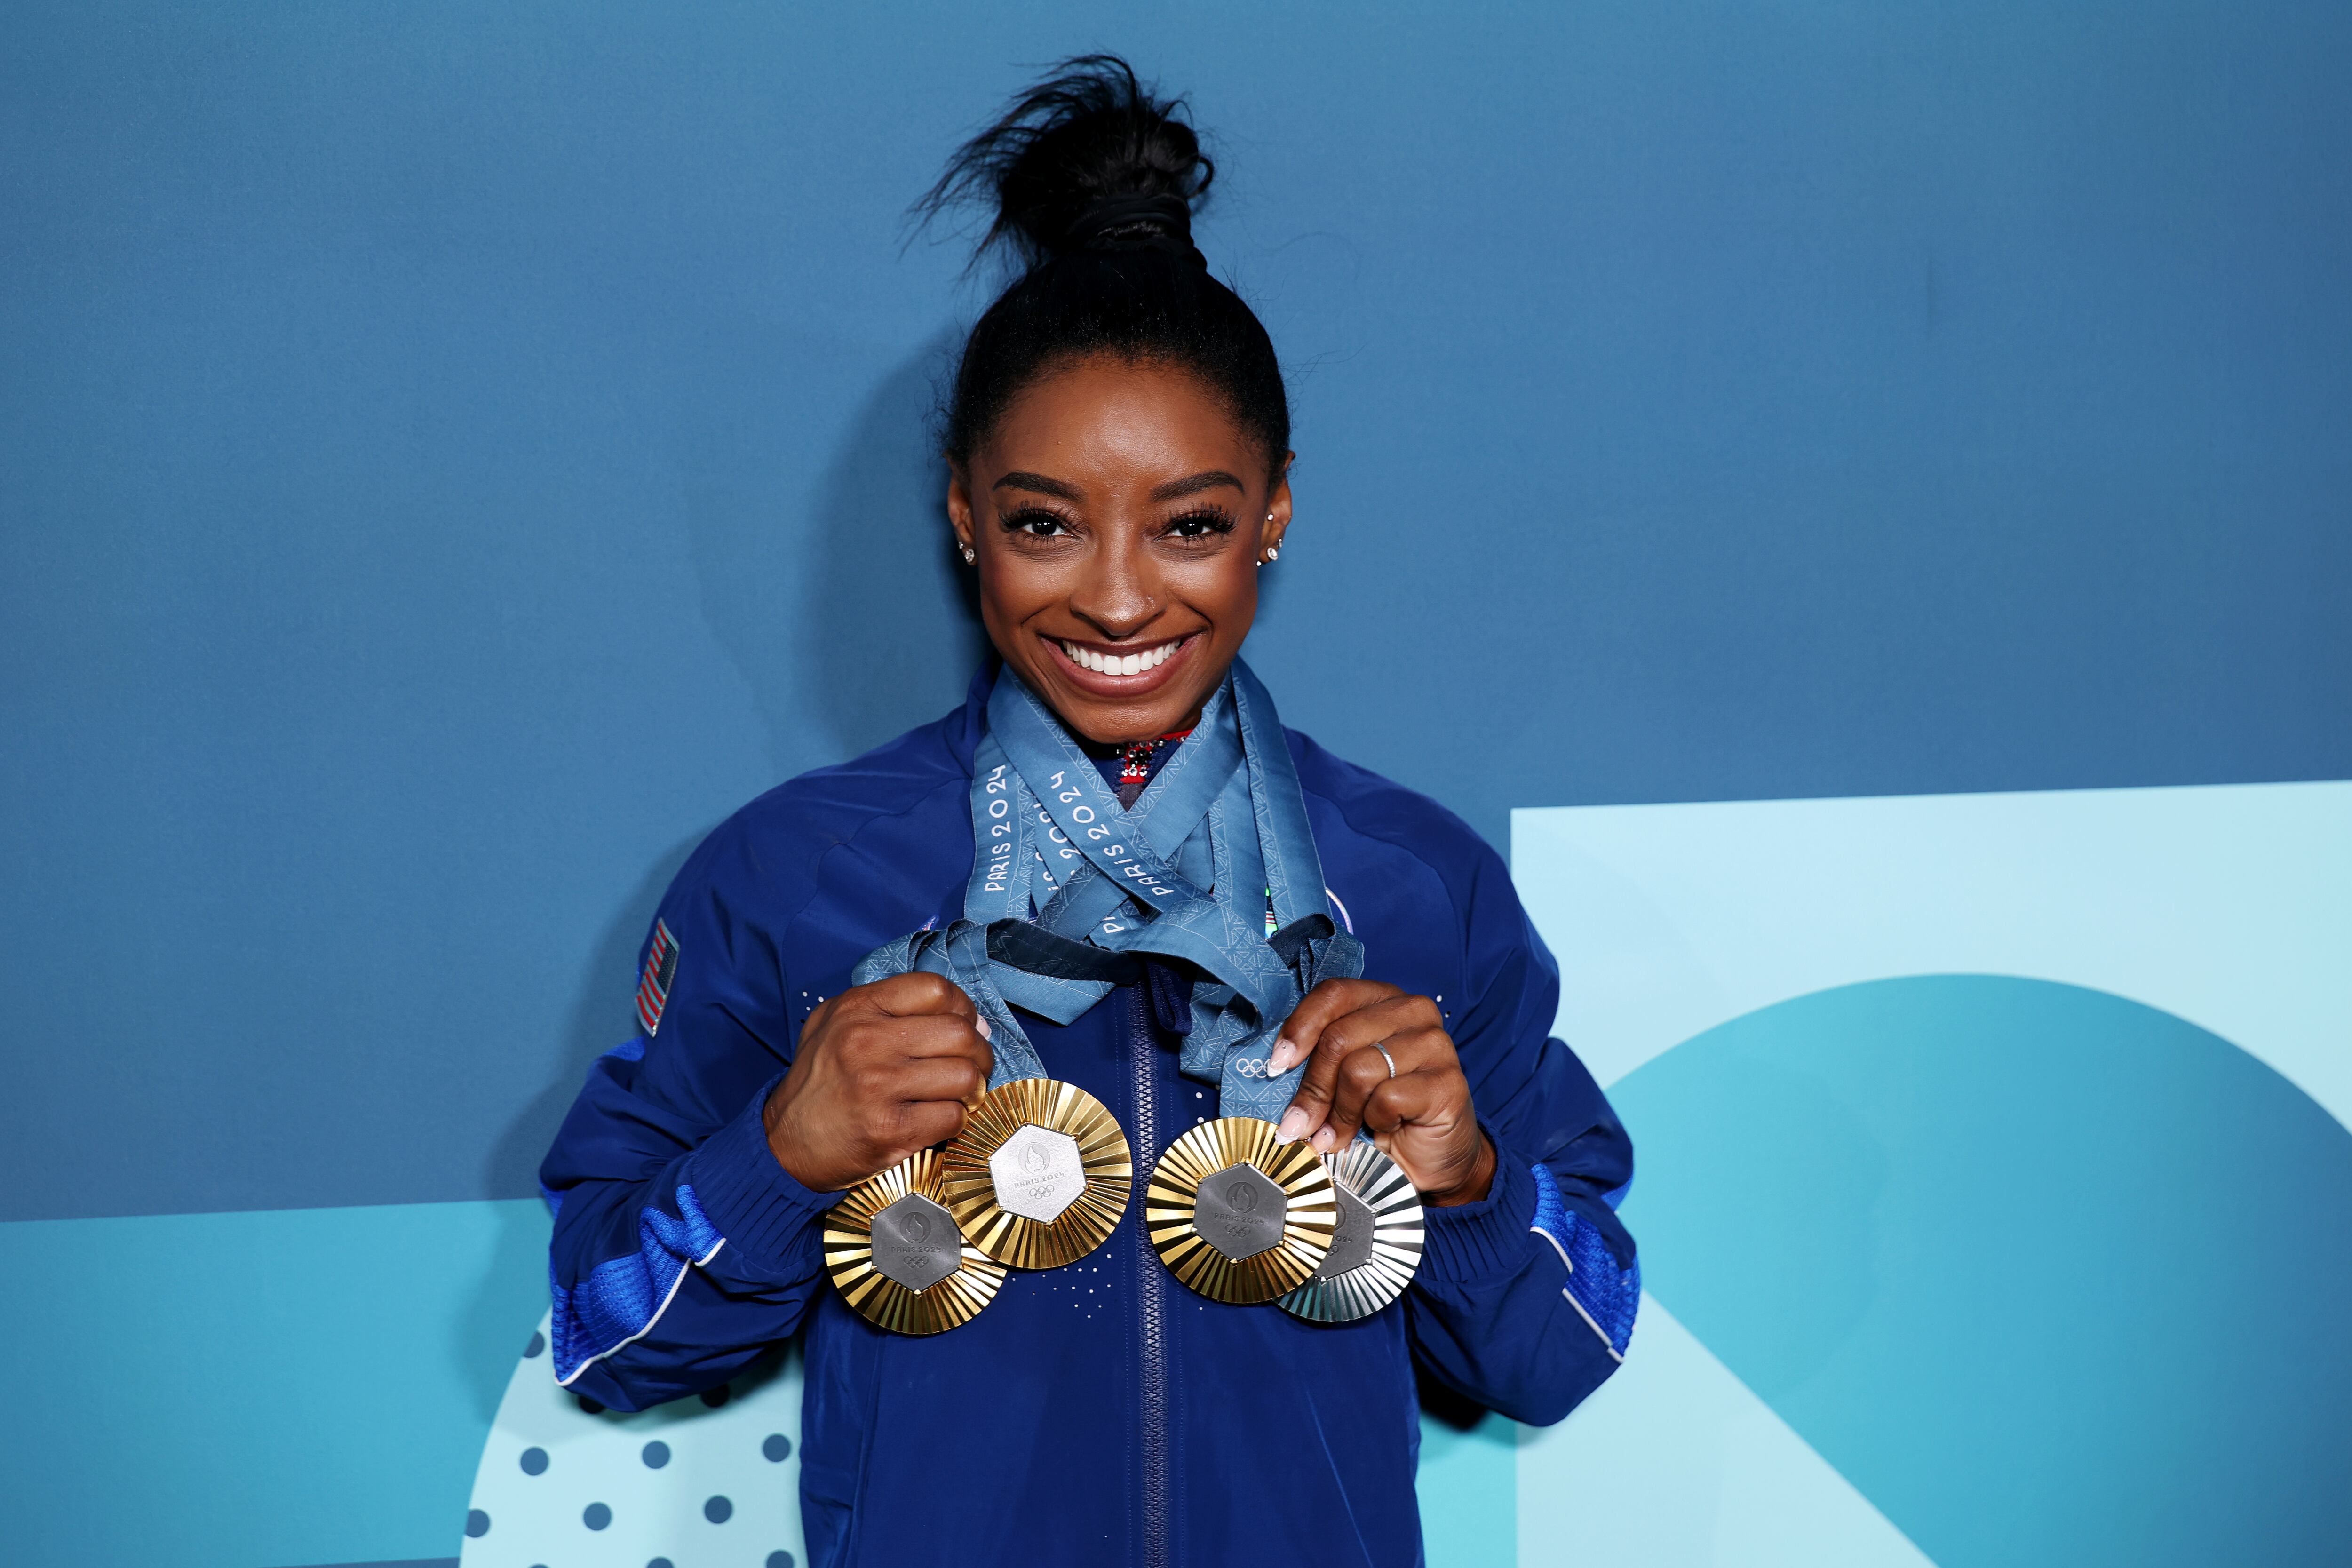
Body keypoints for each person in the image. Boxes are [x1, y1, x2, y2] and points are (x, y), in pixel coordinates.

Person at [541, 56, 1637, 1568]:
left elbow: (1564, 1351)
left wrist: (1468, 1178)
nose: (1119, 596)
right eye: (1045, 522)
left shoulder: (1414, 881)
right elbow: (604, 1338)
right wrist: (779, 1153)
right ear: (962, 516)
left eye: (1191, 524)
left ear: (1275, 512)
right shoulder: (796, 879)